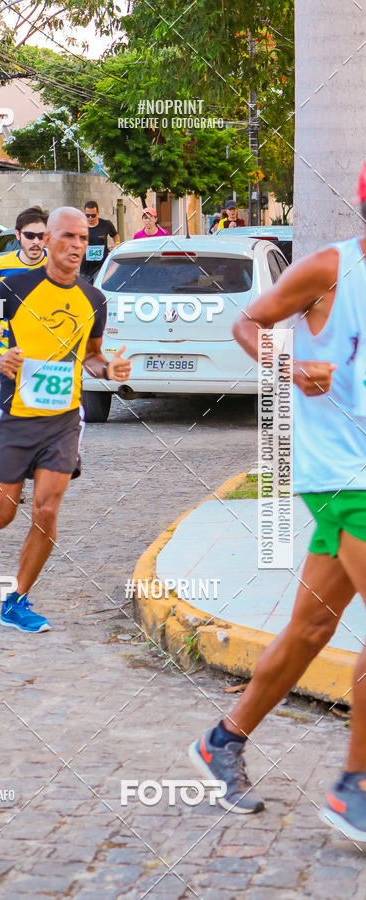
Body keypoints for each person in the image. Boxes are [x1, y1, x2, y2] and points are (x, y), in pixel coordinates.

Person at [190, 162, 366, 841]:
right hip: (340, 476)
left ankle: (221, 742)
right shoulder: (326, 270)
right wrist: (291, 366)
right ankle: (354, 788)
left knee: (312, 630)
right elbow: (248, 324)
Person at [0, 207, 132, 633]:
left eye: (83, 238)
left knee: (47, 509)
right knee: (3, 513)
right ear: (48, 240)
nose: (77, 245)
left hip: (64, 420)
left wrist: (109, 369)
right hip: (16, 417)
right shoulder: (14, 287)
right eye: (68, 236)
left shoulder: (94, 299)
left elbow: (91, 356)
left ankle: (16, 601)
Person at [0, 206, 48, 357]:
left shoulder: (57, 263)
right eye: (30, 235)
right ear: (18, 235)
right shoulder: (2, 265)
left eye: (41, 236)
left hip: (47, 351)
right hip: (7, 349)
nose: (36, 241)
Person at [79, 200, 120, 284]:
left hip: (101, 267)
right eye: (87, 215)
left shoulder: (106, 224)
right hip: (85, 268)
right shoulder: (80, 225)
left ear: (98, 213)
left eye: (93, 215)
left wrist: (116, 244)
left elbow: (115, 236)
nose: (90, 218)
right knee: (86, 294)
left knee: (99, 292)